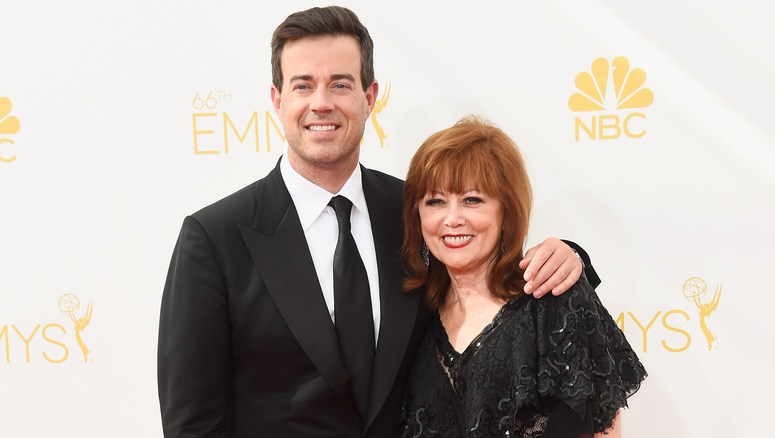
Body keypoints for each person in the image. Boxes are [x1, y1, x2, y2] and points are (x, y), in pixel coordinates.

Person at [157, 7, 599, 438]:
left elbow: (486, 282)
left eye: (340, 84)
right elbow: (192, 425)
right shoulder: (214, 238)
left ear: (369, 97)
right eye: (303, 85)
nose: (322, 103)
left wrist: (569, 256)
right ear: (277, 99)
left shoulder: (414, 211)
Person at [400, 116, 646, 437]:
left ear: (507, 211)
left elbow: (604, 429)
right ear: (417, 214)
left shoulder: (554, 301)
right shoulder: (412, 318)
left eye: (472, 199)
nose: (453, 218)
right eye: (435, 201)